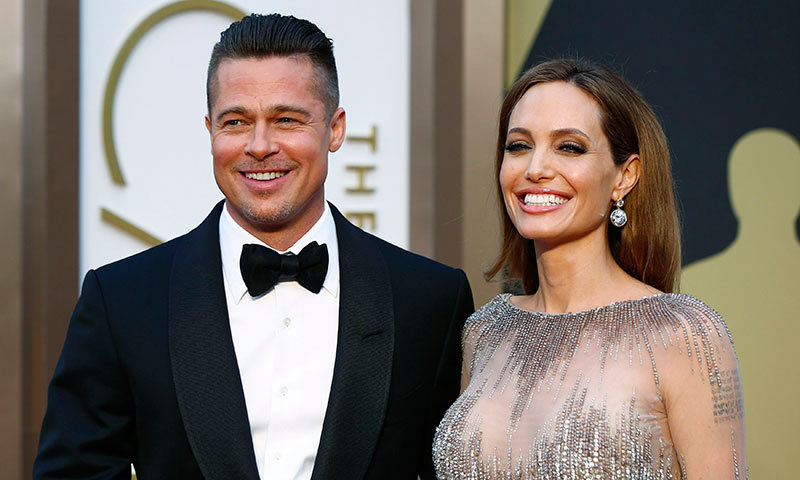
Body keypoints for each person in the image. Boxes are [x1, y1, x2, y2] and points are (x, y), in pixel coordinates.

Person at [34, 13, 473, 480]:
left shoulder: (429, 302)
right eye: (236, 122)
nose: (259, 146)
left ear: (335, 129)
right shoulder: (121, 301)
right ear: (210, 131)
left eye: (286, 119)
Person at [433, 59, 747, 479]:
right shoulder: (485, 332)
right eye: (519, 146)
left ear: (625, 176)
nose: (535, 169)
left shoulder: (684, 335)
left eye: (569, 147)